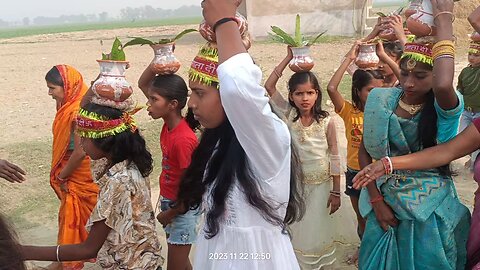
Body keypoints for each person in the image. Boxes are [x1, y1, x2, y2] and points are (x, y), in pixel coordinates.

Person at [174, 1, 305, 269]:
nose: (192, 105)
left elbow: (238, 89)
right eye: (192, 94)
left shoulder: (269, 139)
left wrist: (224, 22)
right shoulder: (218, 141)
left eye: (200, 94)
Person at [354, 1, 470, 269]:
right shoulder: (383, 99)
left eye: (420, 76)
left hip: (428, 211)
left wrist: (444, 20)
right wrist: (376, 202)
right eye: (404, 73)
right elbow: (366, 152)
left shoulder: (445, 109)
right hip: (384, 203)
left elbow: (442, 84)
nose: (408, 82)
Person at [21, 102, 164, 269]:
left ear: (104, 141)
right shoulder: (124, 163)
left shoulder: (118, 182)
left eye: (85, 137)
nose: (81, 145)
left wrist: (24, 252)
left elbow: (88, 249)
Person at [264, 47, 357, 268]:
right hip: (297, 186)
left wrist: (336, 191)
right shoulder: (288, 114)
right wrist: (288, 58)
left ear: (317, 94)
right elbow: (269, 86)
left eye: (310, 93)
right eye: (299, 93)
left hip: (323, 187)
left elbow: (334, 156)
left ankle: (320, 262)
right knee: (301, 226)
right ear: (291, 96)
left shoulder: (326, 121)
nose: (305, 98)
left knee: (320, 226)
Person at [326, 41, 384, 264]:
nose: (376, 94)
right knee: (361, 217)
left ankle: (378, 249)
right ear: (358, 91)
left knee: (380, 214)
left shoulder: (387, 111)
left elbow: (400, 80)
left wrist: (385, 57)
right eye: (370, 90)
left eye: (380, 89)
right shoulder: (350, 112)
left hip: (379, 173)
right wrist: (349, 58)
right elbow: (331, 88)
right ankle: (364, 248)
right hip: (355, 172)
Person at [138, 70, 200, 270]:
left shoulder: (182, 139)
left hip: (182, 209)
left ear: (172, 104)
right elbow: (143, 83)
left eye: (153, 99)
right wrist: (155, 66)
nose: (148, 104)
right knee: (182, 263)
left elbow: (192, 184)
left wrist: (172, 212)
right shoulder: (169, 126)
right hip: (172, 204)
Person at [44, 65, 99, 270]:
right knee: (73, 220)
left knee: (75, 220)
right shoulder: (68, 105)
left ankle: (64, 263)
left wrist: (62, 177)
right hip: (74, 174)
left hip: (79, 176)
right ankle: (62, 261)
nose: (49, 93)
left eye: (53, 88)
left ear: (67, 87)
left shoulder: (77, 112)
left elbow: (80, 152)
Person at [457, 39, 480, 170]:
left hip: (479, 112)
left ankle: (474, 165)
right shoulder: (465, 72)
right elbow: (460, 89)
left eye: (476, 55)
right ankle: (473, 159)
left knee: (475, 141)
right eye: (470, 54)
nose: (471, 58)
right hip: (466, 111)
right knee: (463, 137)